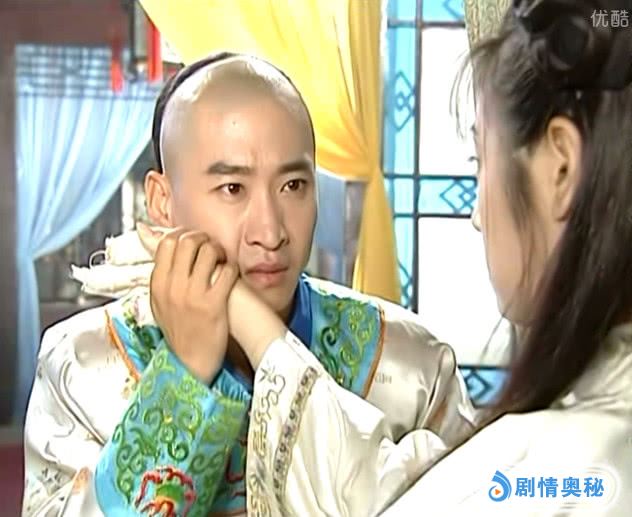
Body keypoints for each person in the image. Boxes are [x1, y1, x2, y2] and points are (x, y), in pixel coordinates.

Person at [222, 1, 632, 515]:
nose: (478, 216)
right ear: (163, 198)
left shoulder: (567, 472)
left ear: (561, 169)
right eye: (232, 187)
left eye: (481, 161)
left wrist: (254, 329)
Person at [22, 52, 475, 516]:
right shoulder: (83, 364)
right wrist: (184, 377)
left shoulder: (410, 364)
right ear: (162, 201)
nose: (271, 231)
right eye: (233, 189)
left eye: (293, 185)